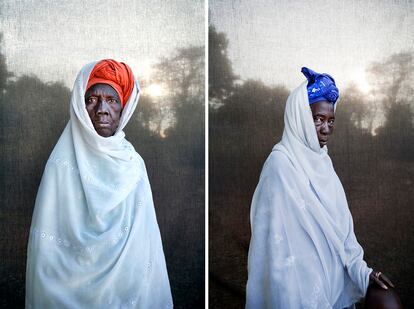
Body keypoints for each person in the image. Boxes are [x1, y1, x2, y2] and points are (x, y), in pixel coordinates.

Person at [25, 59, 173, 308]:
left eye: (112, 100)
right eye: (92, 100)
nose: (102, 109)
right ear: (81, 108)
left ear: (124, 108)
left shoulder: (133, 164)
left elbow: (144, 243)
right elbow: (47, 250)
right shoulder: (60, 164)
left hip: (127, 291)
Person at [246, 67, 394, 309]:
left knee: (388, 300)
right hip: (300, 292)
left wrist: (363, 272)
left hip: (336, 284)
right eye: (318, 119)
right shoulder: (280, 165)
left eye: (331, 120)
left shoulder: (324, 163)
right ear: (300, 117)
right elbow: (280, 255)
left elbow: (343, 236)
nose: (326, 129)